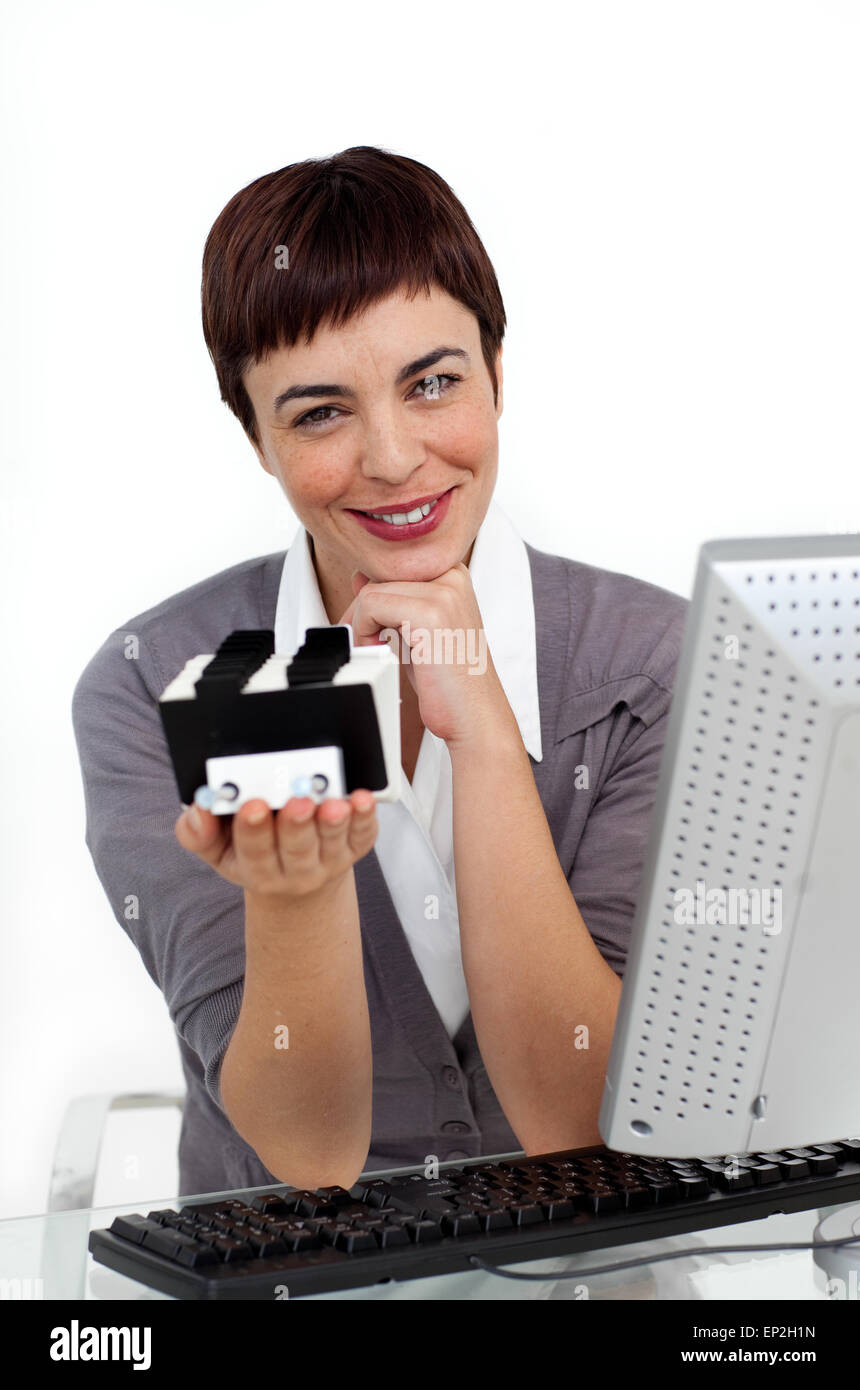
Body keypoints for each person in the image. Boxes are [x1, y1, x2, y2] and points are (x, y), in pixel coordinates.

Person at [72, 145, 688, 1198]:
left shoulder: (655, 663)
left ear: (498, 375)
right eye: (319, 412)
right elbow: (304, 1154)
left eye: (433, 383)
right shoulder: (152, 683)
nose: (394, 457)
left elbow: (583, 1122)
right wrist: (297, 886)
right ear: (256, 439)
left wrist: (486, 735)